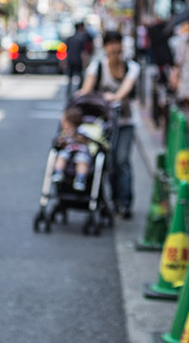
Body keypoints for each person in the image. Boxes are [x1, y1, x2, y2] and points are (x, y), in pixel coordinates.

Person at [78, 30, 140, 218]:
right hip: (103, 124)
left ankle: (125, 203)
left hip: (125, 121)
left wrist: (114, 97)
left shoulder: (132, 67)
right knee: (109, 161)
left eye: (117, 43)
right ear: (104, 47)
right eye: (110, 44)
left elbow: (125, 89)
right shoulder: (96, 67)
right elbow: (86, 89)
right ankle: (111, 200)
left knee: (122, 160)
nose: (114, 48)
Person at [51, 105, 98, 192]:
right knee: (61, 157)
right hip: (68, 151)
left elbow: (87, 140)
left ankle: (80, 178)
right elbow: (60, 143)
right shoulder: (64, 133)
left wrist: (75, 136)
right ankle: (58, 172)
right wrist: (62, 142)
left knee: (82, 161)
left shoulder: (82, 130)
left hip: (81, 152)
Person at [62, 21, 94, 97]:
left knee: (70, 79)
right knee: (80, 79)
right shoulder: (83, 38)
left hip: (70, 60)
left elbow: (65, 52)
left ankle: (69, 95)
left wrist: (63, 62)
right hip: (78, 61)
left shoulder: (69, 38)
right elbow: (84, 52)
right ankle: (78, 94)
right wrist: (85, 63)